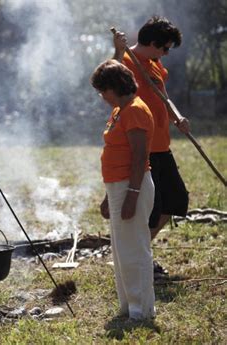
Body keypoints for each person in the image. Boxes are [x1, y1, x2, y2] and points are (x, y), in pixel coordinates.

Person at [112, 16, 189, 277]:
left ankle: (139, 252)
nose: (166, 53)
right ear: (153, 42)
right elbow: (110, 85)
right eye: (165, 48)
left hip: (162, 146)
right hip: (141, 148)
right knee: (150, 209)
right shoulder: (125, 62)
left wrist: (177, 116)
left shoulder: (154, 63)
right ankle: (136, 261)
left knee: (176, 200)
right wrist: (117, 51)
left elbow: (163, 98)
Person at [91, 59, 156, 320]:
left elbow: (139, 157)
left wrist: (132, 195)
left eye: (103, 90)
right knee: (120, 250)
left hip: (133, 188)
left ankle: (141, 310)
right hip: (118, 187)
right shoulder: (120, 110)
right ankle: (129, 305)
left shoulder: (136, 111)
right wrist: (109, 196)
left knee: (134, 248)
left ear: (114, 86)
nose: (102, 96)